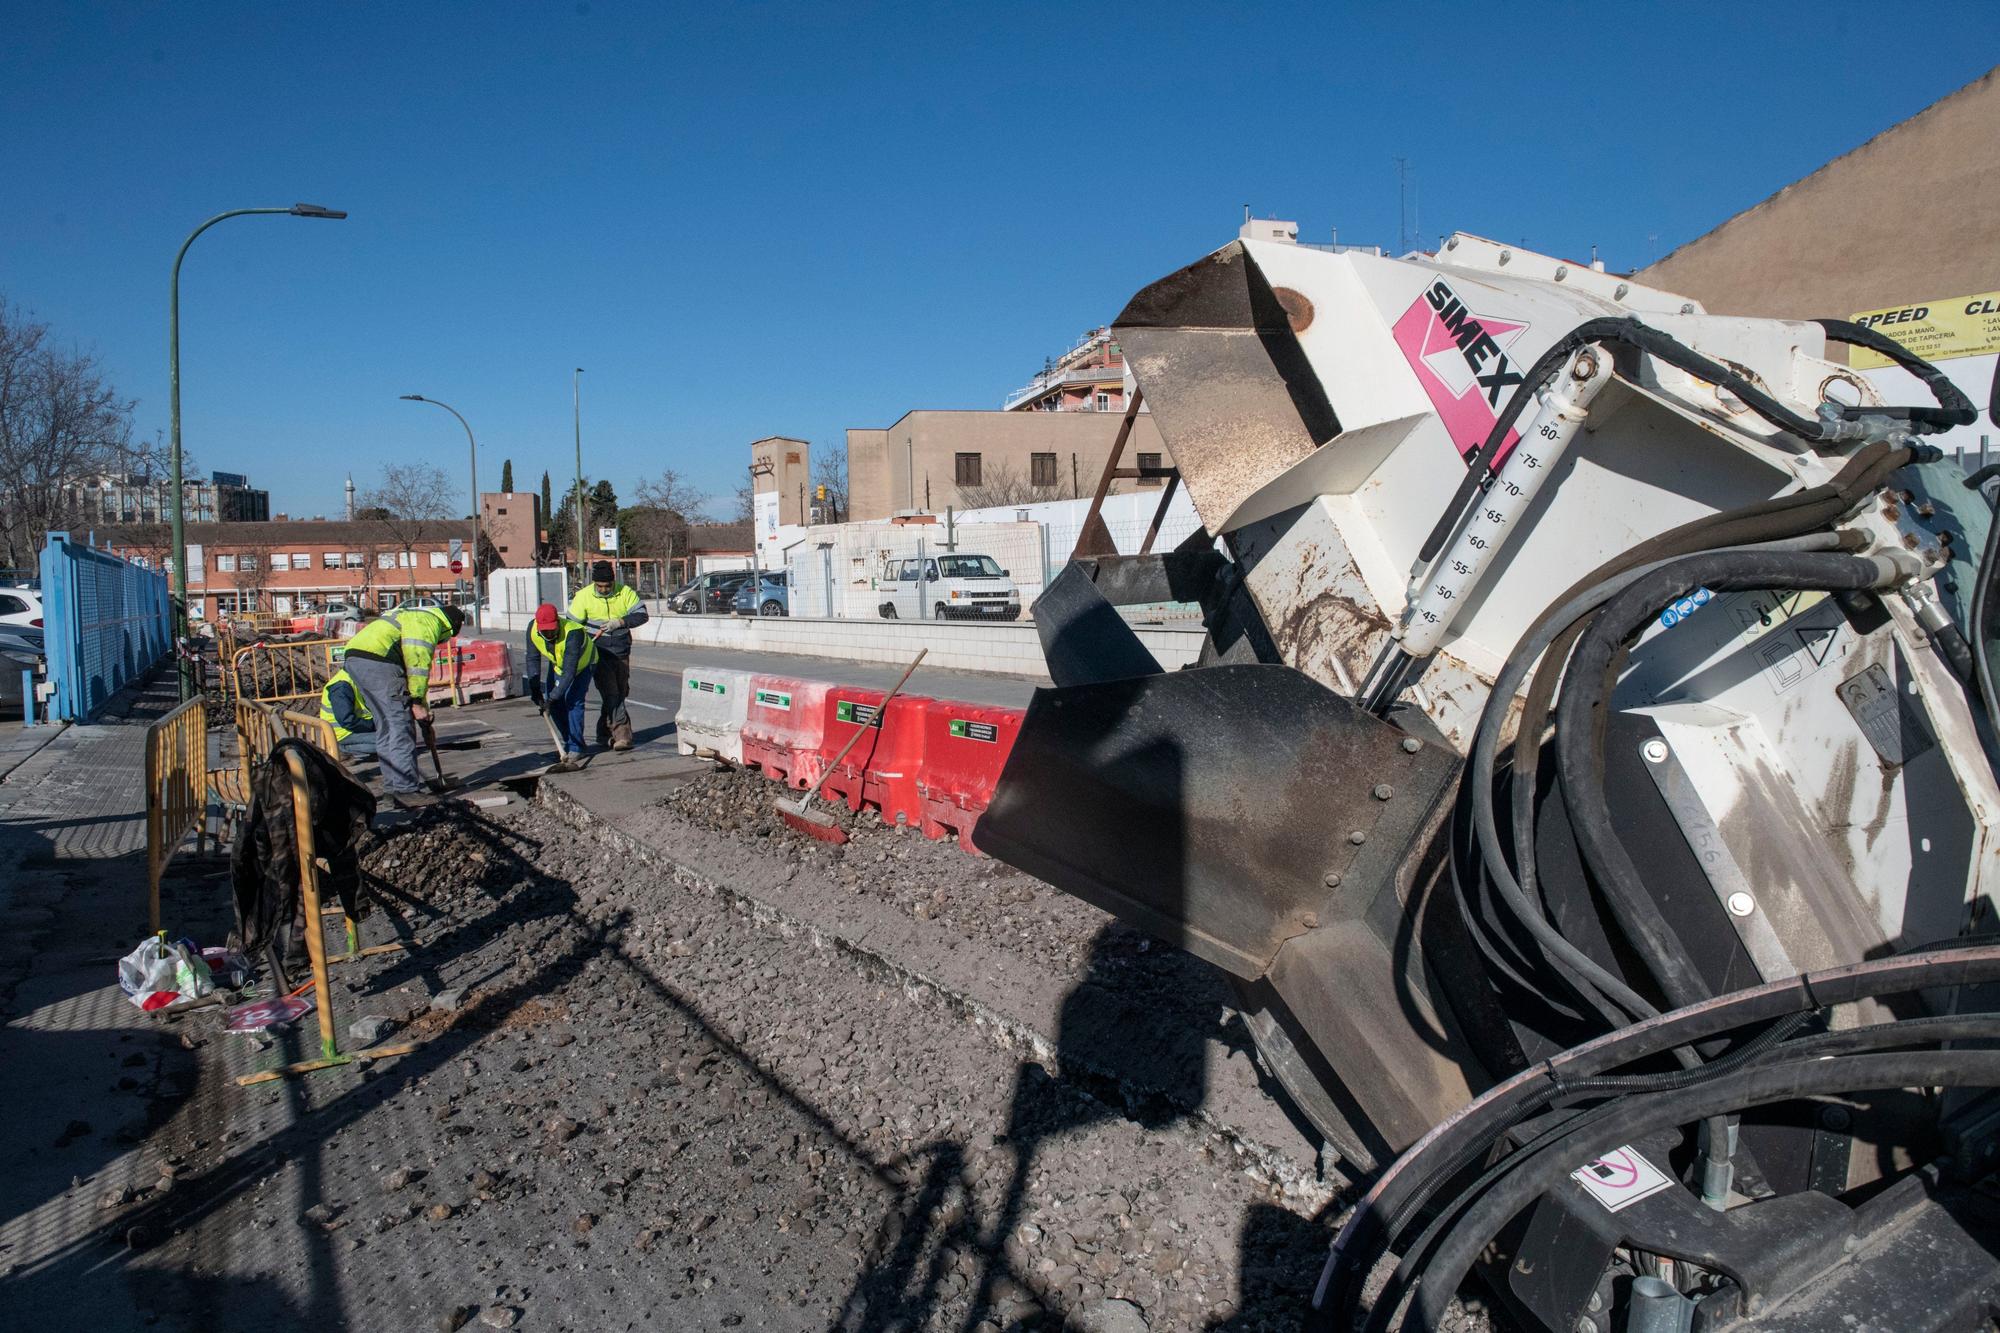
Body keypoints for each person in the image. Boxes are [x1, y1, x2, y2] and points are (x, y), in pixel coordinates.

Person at [339, 603, 466, 807]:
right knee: (400, 727)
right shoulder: (429, 623)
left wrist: (422, 709)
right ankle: (406, 790)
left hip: (358, 660)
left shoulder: (413, 615)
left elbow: (410, 673)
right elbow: (417, 666)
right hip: (380, 662)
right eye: (445, 639)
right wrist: (415, 703)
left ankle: (393, 789)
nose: (441, 641)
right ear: (451, 627)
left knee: (386, 728)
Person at [570, 560, 649, 751]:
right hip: (597, 652)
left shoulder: (625, 592)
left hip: (621, 650)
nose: (604, 590)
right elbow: (572, 626)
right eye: (600, 586)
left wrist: (620, 622)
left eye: (607, 586)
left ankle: (603, 732)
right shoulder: (583, 597)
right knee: (611, 692)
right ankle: (623, 735)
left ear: (613, 582)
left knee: (621, 692)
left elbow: (642, 615)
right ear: (594, 583)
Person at [526, 602, 598, 758]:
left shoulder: (573, 633)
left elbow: (569, 672)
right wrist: (535, 690)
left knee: (573, 700)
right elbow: (532, 659)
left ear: (558, 622)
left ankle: (576, 748)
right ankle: (568, 741)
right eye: (545, 631)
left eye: (552, 631)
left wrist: (550, 699)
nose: (549, 635)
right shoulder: (532, 629)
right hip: (559, 666)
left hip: (584, 664)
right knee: (555, 705)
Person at [318, 665, 378, 759]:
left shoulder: (354, 678)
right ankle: (343, 749)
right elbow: (347, 721)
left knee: (394, 739)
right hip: (343, 734)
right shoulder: (341, 687)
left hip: (356, 727)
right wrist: (374, 725)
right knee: (389, 742)